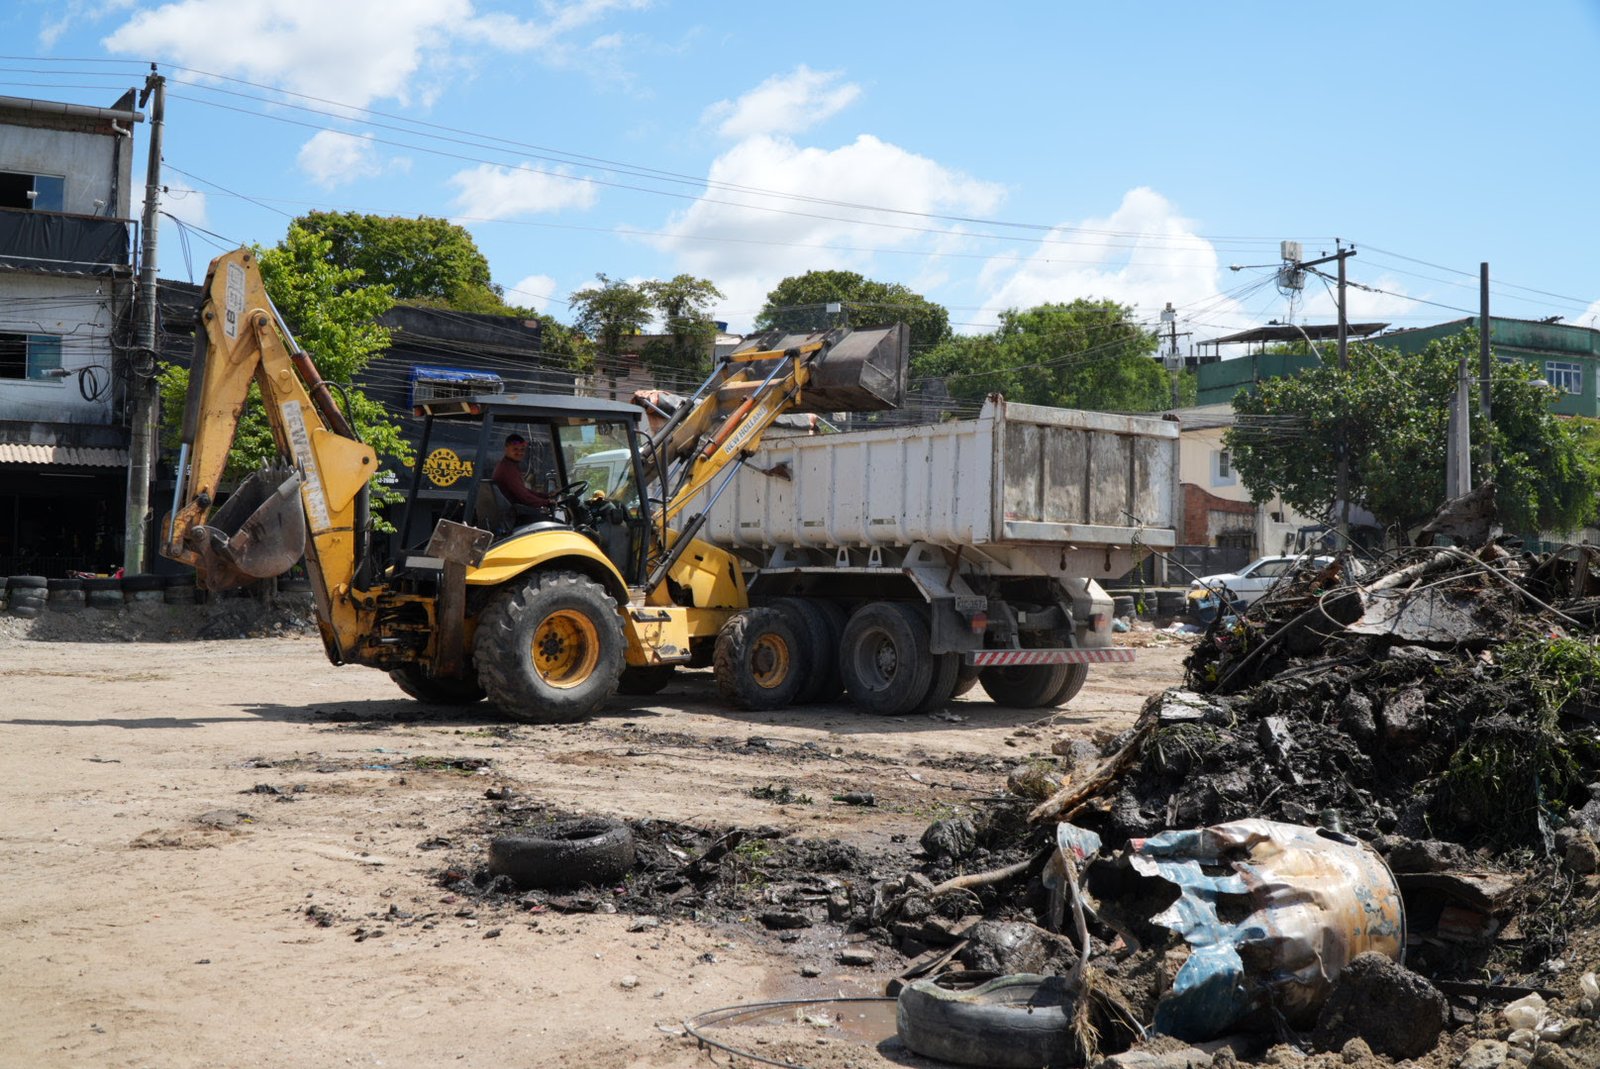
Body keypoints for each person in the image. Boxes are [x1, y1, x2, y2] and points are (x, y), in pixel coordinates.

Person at [492, 434, 554, 520]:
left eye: (522, 450)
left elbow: (523, 491)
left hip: (514, 513)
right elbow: (524, 497)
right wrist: (547, 502)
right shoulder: (507, 469)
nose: (520, 452)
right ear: (506, 448)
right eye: (515, 449)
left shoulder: (509, 465)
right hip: (514, 516)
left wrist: (545, 496)